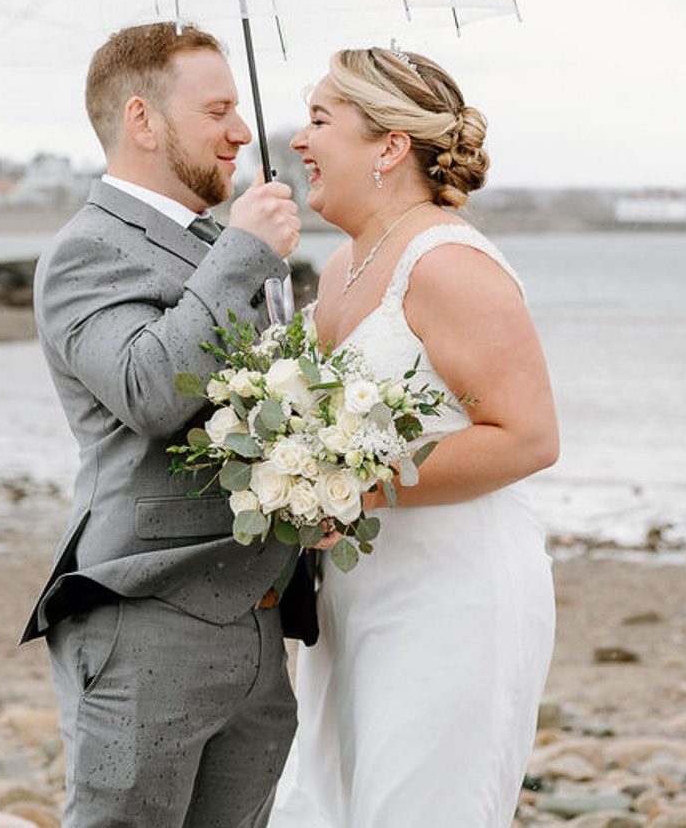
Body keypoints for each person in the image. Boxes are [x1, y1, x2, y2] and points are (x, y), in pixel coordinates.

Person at [19, 21, 318, 828]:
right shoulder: (87, 251)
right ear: (142, 121)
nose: (243, 131)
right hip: (145, 622)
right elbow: (147, 389)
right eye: (217, 109)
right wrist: (243, 255)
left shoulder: (212, 242)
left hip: (254, 620)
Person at [271, 46, 559, 826]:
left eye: (322, 120)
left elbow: (528, 436)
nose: (299, 141)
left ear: (390, 146)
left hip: (452, 595)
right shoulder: (339, 270)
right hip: (353, 597)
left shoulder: (449, 265)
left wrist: (357, 487)